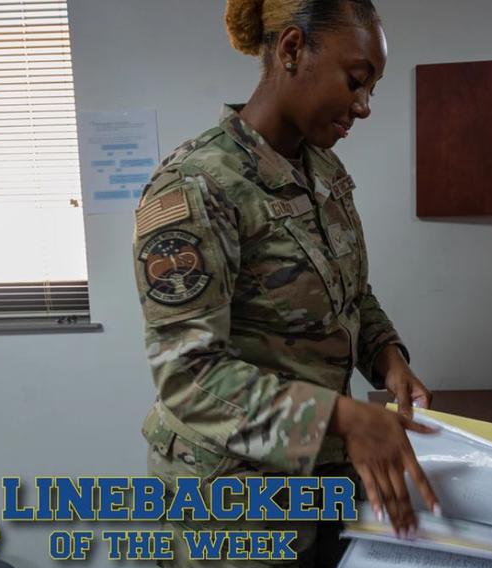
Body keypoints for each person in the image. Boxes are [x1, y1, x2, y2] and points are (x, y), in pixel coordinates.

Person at [133, 0, 439, 564]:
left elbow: (349, 291)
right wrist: (346, 417)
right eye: (356, 81)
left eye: (372, 88)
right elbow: (189, 376)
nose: (364, 106)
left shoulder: (321, 169)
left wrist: (387, 356)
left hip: (318, 480)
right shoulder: (198, 186)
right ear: (292, 50)